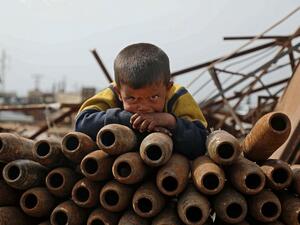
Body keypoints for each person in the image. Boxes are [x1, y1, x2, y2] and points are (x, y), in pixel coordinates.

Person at [75, 43, 208, 159]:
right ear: (119, 93)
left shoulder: (177, 96)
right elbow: (82, 123)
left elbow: (201, 142)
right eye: (132, 99)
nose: (143, 107)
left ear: (167, 88)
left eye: (153, 97)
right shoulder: (112, 94)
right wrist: (128, 119)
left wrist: (170, 121)